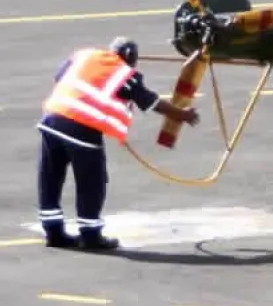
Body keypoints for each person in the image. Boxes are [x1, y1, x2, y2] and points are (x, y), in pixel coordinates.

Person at [36, 39, 199, 251]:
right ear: (131, 58)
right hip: (80, 127)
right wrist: (182, 115)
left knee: (51, 176)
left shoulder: (85, 56)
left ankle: (53, 232)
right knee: (92, 181)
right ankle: (90, 234)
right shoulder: (125, 74)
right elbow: (150, 102)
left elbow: (59, 76)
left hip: (52, 119)